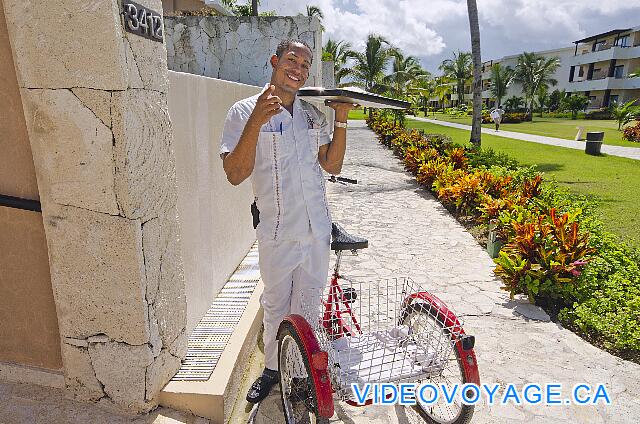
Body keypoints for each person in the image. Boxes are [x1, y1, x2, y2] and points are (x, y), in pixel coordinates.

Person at [219, 39, 357, 403]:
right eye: (291, 60)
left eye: (305, 63)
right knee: (276, 303)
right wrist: (257, 120)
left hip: (316, 232)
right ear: (275, 61)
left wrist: (340, 118)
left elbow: (332, 165)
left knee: (309, 303)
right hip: (278, 231)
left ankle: (301, 374)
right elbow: (235, 173)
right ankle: (272, 369)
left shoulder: (311, 114)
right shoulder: (243, 111)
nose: (298, 68)